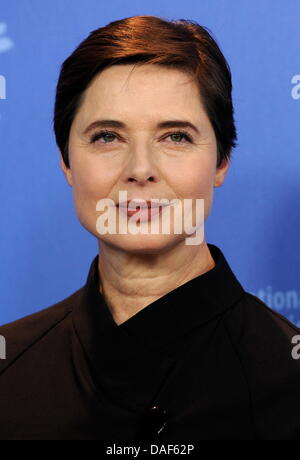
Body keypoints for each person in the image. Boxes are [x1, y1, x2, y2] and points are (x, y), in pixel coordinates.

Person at [1, 14, 300, 441]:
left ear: (221, 161)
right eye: (107, 136)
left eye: (175, 137)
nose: (140, 170)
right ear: (67, 162)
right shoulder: (10, 372)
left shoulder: (288, 380)